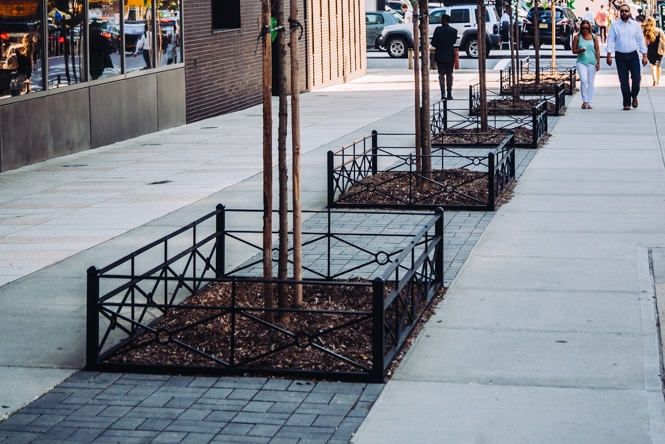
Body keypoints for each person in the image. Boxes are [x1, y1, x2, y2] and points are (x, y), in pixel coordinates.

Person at [606, 4, 648, 110]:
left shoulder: (635, 25)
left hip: (633, 55)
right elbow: (610, 40)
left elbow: (640, 41)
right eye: (622, 11)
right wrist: (609, 55)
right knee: (623, 80)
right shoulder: (615, 25)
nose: (624, 13)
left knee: (636, 78)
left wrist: (644, 55)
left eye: (626, 11)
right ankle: (626, 103)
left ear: (629, 12)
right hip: (620, 55)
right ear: (620, 13)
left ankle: (634, 95)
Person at [573, 20, 601, 109]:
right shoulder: (577, 37)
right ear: (581, 28)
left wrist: (598, 62)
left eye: (587, 28)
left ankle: (589, 102)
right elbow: (573, 50)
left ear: (590, 28)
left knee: (591, 82)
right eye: (583, 28)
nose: (585, 30)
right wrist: (579, 51)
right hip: (581, 61)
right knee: (584, 80)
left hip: (592, 61)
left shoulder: (594, 37)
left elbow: (597, 50)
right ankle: (584, 100)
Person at [430, 13, 457, 100]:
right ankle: (449, 93)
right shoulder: (454, 31)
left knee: (441, 75)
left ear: (444, 20)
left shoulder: (438, 30)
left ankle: (443, 94)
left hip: (440, 55)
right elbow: (453, 42)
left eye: (441, 19)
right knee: (449, 74)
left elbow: (433, 43)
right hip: (450, 55)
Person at [643, 16, 664, 85]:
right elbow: (664, 39)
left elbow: (646, 44)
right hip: (659, 50)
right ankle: (658, 80)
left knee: (652, 65)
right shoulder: (659, 31)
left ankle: (654, 80)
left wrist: (645, 53)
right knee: (658, 66)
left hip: (651, 50)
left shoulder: (647, 32)